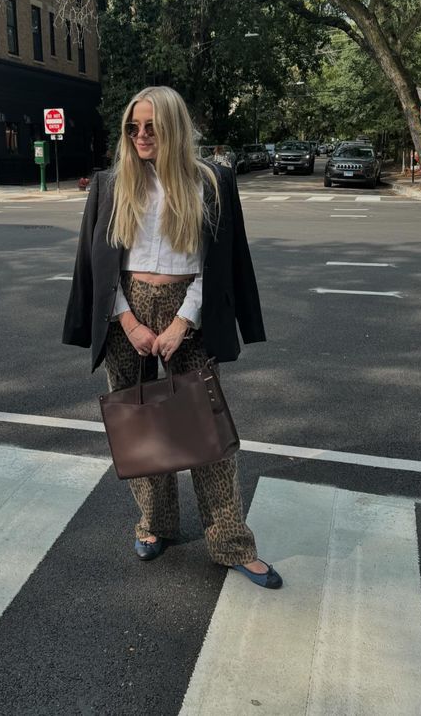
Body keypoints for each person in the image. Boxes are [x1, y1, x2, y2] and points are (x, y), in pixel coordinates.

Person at [63, 85, 281, 589]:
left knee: (207, 434)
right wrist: (130, 322)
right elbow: (99, 266)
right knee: (141, 428)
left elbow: (218, 264)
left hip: (190, 312)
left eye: (152, 127)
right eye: (133, 128)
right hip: (128, 312)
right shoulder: (111, 184)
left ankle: (231, 543)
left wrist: (184, 320)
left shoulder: (212, 183)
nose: (141, 136)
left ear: (174, 129)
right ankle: (155, 523)